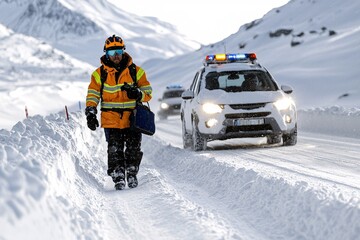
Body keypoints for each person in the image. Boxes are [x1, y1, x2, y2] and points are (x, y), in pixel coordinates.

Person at [85, 35, 152, 190]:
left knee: (133, 147)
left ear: (124, 51)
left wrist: (138, 93)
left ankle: (132, 173)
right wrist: (90, 111)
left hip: (132, 118)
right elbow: (93, 94)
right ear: (106, 53)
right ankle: (118, 176)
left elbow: (148, 91)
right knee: (114, 149)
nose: (116, 55)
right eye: (112, 52)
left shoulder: (136, 72)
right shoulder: (99, 74)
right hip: (111, 119)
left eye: (119, 50)